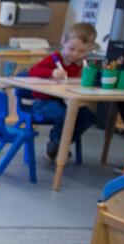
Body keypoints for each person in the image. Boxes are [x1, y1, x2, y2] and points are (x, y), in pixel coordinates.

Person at [28, 22, 99, 161]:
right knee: (66, 114)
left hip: (67, 101)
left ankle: (59, 145)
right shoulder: (55, 59)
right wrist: (52, 72)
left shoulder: (83, 63)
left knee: (88, 117)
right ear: (63, 42)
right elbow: (33, 72)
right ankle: (58, 145)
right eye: (71, 49)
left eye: (82, 51)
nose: (76, 54)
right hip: (43, 102)